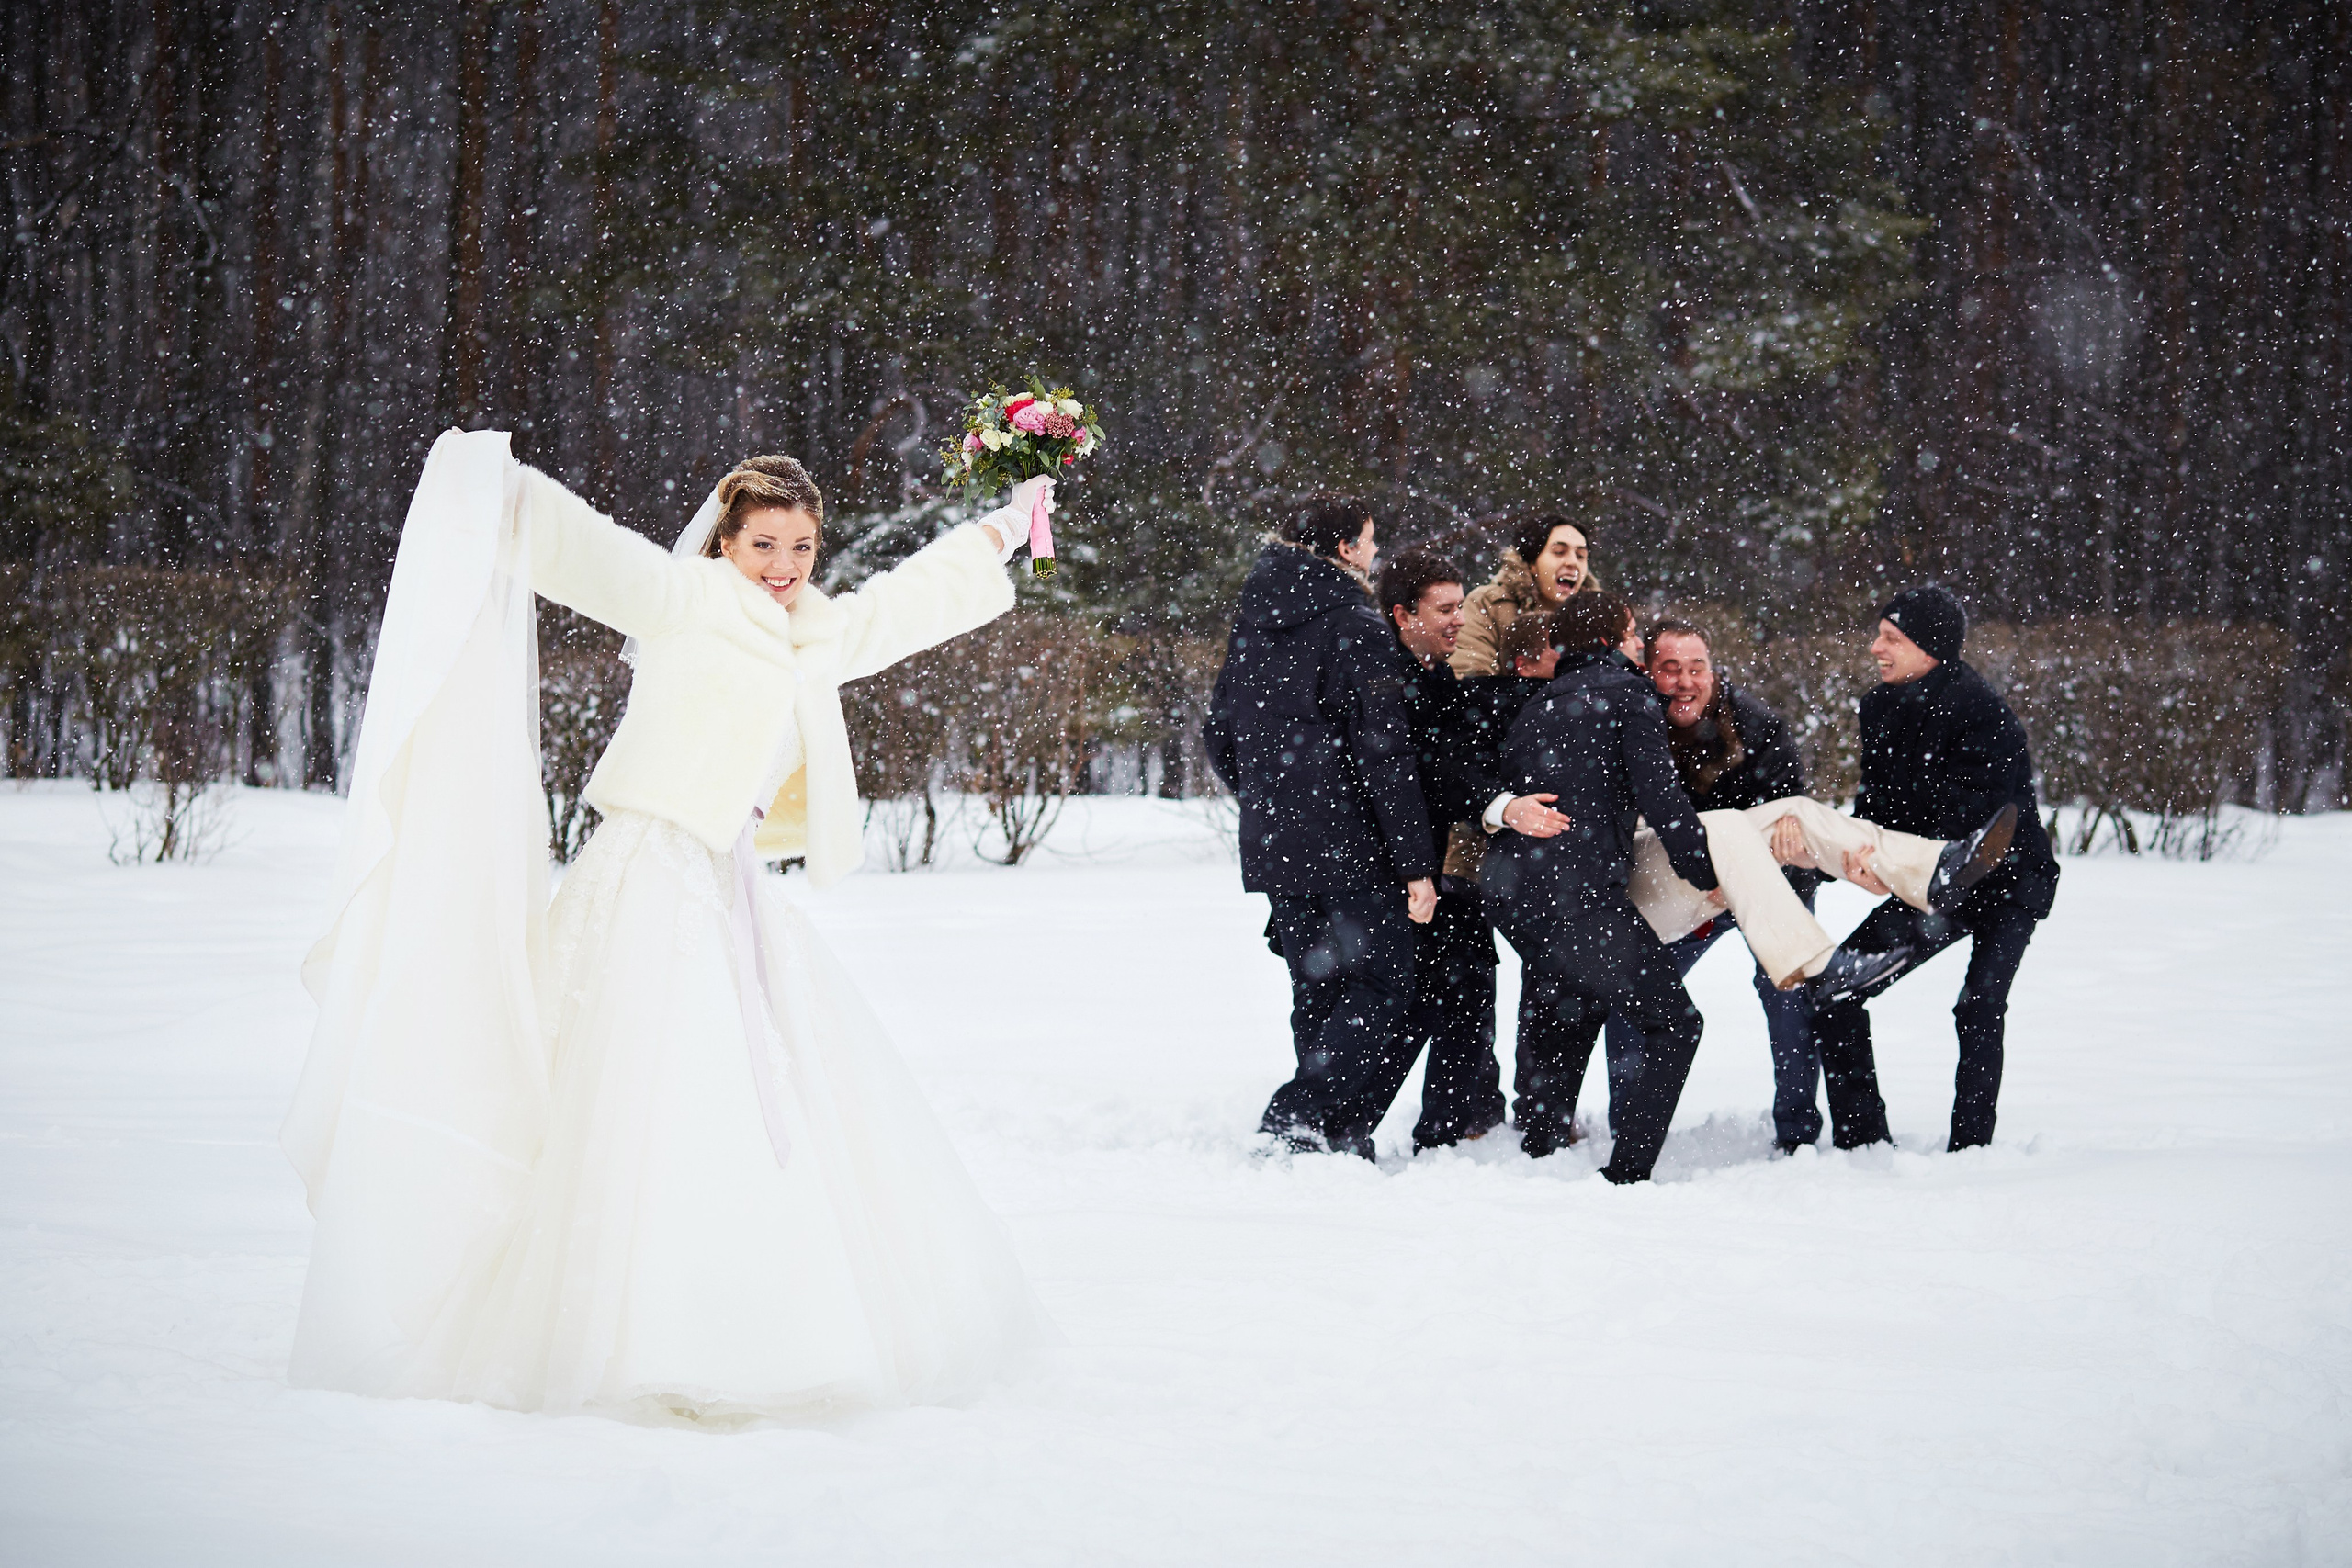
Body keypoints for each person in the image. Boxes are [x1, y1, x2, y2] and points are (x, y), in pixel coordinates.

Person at [283, 431, 1057, 1425]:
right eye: (763, 546)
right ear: (723, 545)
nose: (782, 568)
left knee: (757, 1083)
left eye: (802, 549)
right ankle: (614, 1325)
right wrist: (493, 483)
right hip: (646, 874)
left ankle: (755, 1309)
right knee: (638, 1083)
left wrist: (1003, 525)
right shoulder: (681, 601)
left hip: (730, 885)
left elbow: (907, 605)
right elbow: (586, 547)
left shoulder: (813, 629)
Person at [1202, 498, 1439, 1159]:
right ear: (1341, 548)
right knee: (1387, 981)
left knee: (1318, 983)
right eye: (1368, 540)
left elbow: (1219, 733)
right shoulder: (1354, 623)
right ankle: (1298, 1112)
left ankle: (1332, 1134)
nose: (1374, 551)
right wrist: (1415, 862)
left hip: (1279, 835)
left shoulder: (1255, 621)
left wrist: (1271, 795)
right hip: (1351, 837)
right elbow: (1384, 753)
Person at [1808, 586, 2063, 1153]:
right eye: (1878, 635)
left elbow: (1973, 818)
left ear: (1931, 650)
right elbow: (1874, 808)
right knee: (1833, 990)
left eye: (1891, 639)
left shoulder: (1982, 712)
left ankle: (1970, 1152)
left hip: (2005, 880)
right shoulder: (1878, 707)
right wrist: (1827, 857)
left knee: (1979, 1007)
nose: (1876, 648)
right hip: (1932, 880)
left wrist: (1890, 848)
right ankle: (1863, 1144)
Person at [1480, 592, 1718, 1181]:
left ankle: (1541, 1146)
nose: (1641, 646)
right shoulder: (1629, 697)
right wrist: (1710, 875)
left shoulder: (1539, 703)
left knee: (1571, 1003)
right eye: (1636, 635)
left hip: (1512, 889)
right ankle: (1627, 1176)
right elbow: (1663, 800)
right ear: (1613, 640)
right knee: (1677, 1023)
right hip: (1572, 891)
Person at [1367, 550, 1570, 1152]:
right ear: (1404, 614)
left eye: (1462, 606)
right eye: (1447, 608)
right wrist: (1504, 807)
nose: (1461, 619)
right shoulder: (1383, 676)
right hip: (1394, 872)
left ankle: (1441, 1133)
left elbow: (1463, 736)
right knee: (1402, 1010)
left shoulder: (1436, 673)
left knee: (1462, 987)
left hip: (1432, 871)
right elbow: (1429, 771)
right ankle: (1334, 1122)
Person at [1603, 621, 1830, 1154]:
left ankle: (1798, 1133)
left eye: (1697, 668)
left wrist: (1767, 863)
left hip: (1769, 878)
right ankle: (1629, 1125)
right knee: (1636, 989)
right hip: (1683, 883)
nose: (1686, 682)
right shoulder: (1635, 722)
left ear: (1714, 670)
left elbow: (1786, 811)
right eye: (1670, 669)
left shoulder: (1758, 725)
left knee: (1789, 989)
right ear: (1647, 673)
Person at [1448, 511, 1601, 678]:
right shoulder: (1488, 603)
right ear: (1530, 562)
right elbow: (1472, 676)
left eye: (1581, 556)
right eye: (1559, 552)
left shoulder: (1598, 617)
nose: (1572, 562)